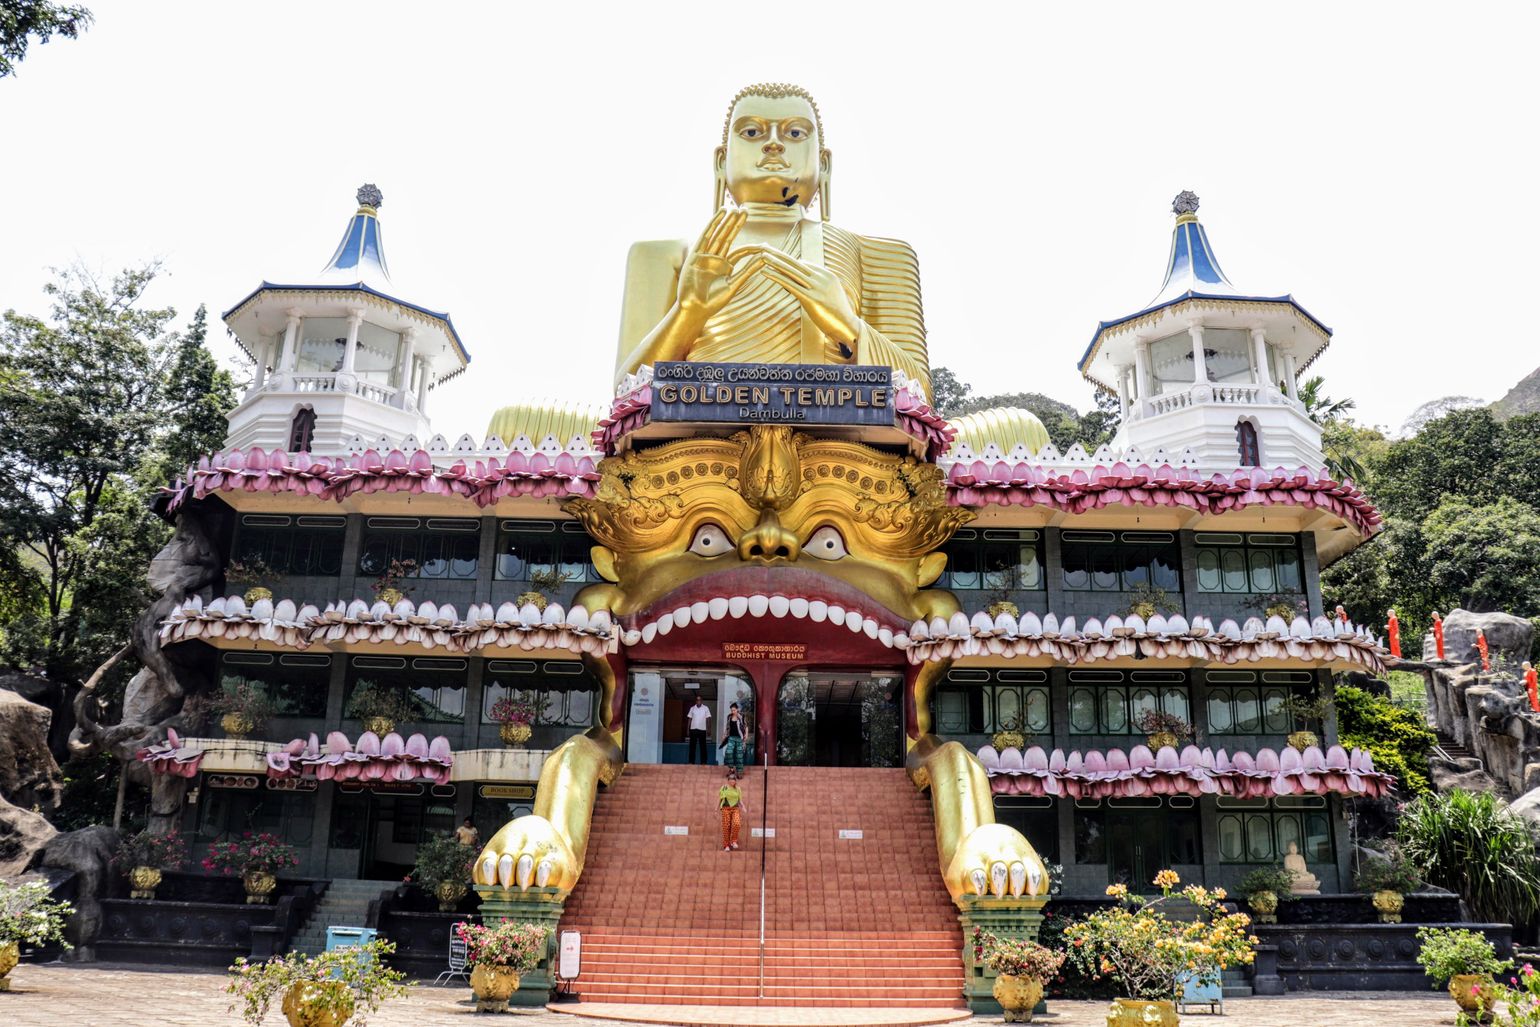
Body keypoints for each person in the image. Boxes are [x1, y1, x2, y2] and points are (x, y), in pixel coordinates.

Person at [718, 768, 745, 852]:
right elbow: (720, 799)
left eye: (733, 781)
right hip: (725, 808)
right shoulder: (724, 788)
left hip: (735, 808)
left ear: (735, 781)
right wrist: (716, 808)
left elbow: (740, 800)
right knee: (726, 826)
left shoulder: (738, 789)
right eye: (730, 780)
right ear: (728, 781)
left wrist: (743, 807)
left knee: (737, 823)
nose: (732, 782)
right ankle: (726, 845)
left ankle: (734, 841)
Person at [720, 702, 749, 775]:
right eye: (731, 710)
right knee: (728, 752)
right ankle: (731, 769)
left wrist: (746, 734)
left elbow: (746, 726)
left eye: (734, 710)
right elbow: (727, 727)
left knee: (739, 755)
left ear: (737, 709)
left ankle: (739, 771)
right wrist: (724, 735)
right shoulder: (729, 717)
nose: (733, 712)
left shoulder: (742, 716)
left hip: (740, 738)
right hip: (731, 737)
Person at [686, 694, 712, 765]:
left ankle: (703, 762)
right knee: (692, 747)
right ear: (696, 701)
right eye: (697, 700)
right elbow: (689, 719)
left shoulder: (706, 708)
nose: (698, 701)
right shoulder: (692, 708)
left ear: (702, 700)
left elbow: (708, 718)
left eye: (700, 700)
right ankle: (691, 762)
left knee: (703, 746)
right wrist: (687, 730)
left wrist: (709, 729)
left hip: (702, 730)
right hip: (693, 729)